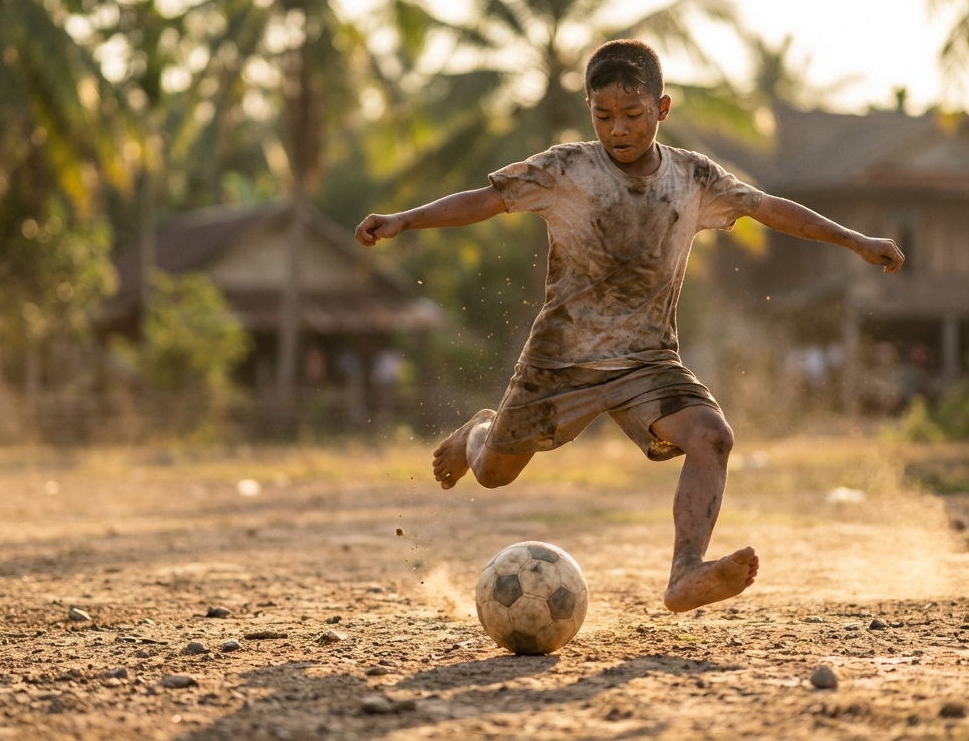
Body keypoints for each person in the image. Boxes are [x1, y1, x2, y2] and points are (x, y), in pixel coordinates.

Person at [354, 40, 904, 612]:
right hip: (561, 360)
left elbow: (769, 207)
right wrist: (404, 220)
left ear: (662, 110)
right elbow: (484, 200)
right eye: (603, 116)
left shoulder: (694, 178)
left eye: (633, 116)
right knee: (494, 473)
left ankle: (686, 570)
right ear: (589, 111)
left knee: (712, 436)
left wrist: (855, 240)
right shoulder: (565, 169)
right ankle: (478, 433)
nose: (617, 129)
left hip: (647, 361)